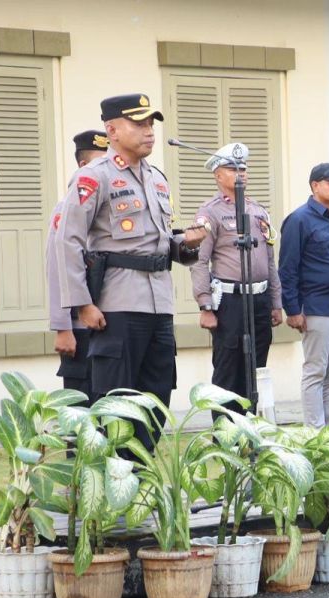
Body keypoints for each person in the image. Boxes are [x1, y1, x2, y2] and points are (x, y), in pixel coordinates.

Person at [54, 93, 206, 448]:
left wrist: (188, 244)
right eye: (139, 123)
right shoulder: (94, 177)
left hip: (159, 303)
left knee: (155, 397)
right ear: (112, 130)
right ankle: (117, 485)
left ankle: (143, 484)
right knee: (118, 404)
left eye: (151, 124)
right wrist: (82, 304)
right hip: (117, 305)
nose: (149, 131)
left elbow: (161, 242)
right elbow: (68, 242)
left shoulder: (157, 179)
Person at [191, 142, 283, 410]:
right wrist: (205, 305)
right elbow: (199, 260)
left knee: (257, 369)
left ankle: (251, 430)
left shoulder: (258, 211)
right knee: (228, 370)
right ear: (218, 175)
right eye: (232, 168)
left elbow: (269, 260)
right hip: (230, 303)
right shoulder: (210, 212)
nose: (240, 172)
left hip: (260, 299)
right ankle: (226, 435)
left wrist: (276, 303)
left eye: (243, 167)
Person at [279, 163, 329, 428]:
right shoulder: (299, 220)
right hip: (316, 307)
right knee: (315, 371)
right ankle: (315, 433)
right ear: (315, 186)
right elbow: (287, 268)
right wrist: (293, 310)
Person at [47, 129, 108, 395]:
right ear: (84, 166)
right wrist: (62, 326)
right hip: (79, 325)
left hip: (107, 317)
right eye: (99, 162)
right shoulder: (67, 208)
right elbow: (56, 265)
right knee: (81, 403)